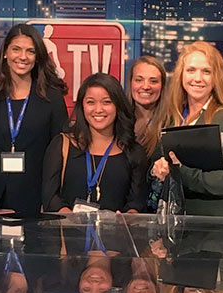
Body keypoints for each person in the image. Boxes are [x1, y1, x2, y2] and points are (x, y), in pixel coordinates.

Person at [0, 24, 69, 215]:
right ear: (5, 53)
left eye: (30, 51)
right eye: (16, 49)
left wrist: (50, 199)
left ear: (37, 57)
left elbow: (60, 154)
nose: (23, 57)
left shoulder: (52, 98)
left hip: (36, 197)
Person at [148, 42, 223, 217]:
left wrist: (180, 172)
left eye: (206, 71)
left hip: (212, 223)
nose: (198, 78)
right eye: (191, 70)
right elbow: (154, 165)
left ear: (217, 77)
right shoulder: (172, 117)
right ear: (181, 74)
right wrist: (156, 170)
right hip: (173, 220)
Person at [44, 73, 148, 212]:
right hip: (69, 225)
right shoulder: (62, 145)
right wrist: (73, 220)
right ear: (82, 106)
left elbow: (137, 203)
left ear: (118, 105)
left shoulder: (134, 152)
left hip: (115, 226)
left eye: (107, 102)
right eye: (91, 102)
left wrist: (127, 218)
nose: (98, 110)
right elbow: (50, 197)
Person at [128, 55, 167, 154]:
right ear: (130, 82)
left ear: (162, 86)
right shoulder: (118, 119)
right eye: (139, 80)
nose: (146, 86)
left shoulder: (171, 123)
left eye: (153, 81)